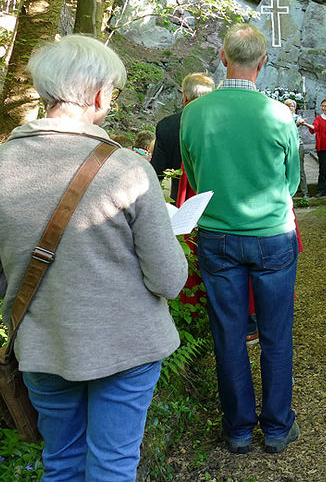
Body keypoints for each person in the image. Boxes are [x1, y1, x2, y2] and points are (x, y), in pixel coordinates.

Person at [0, 35, 187, 479]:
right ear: (100, 94)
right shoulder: (125, 168)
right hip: (126, 346)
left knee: (60, 463)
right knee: (113, 466)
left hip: (43, 344)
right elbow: (168, 279)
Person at [180, 23, 301, 455]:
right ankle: (276, 427)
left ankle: (237, 429)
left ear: (222, 56)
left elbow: (194, 179)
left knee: (228, 334)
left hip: (218, 236)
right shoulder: (279, 114)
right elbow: (292, 183)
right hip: (272, 235)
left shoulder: (195, 112)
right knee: (275, 334)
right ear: (262, 62)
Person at [151, 72, 215, 201]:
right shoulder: (221, 126)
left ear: (185, 96)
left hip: (180, 201)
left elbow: (157, 172)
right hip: (215, 204)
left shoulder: (167, 126)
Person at [283, 99, 310, 198]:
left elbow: (299, 122)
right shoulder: (282, 117)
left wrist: (301, 122)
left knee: (300, 169)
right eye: (289, 106)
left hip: (298, 145)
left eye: (292, 106)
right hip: (286, 145)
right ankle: (289, 192)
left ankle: (304, 192)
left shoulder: (297, 117)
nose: (291, 108)